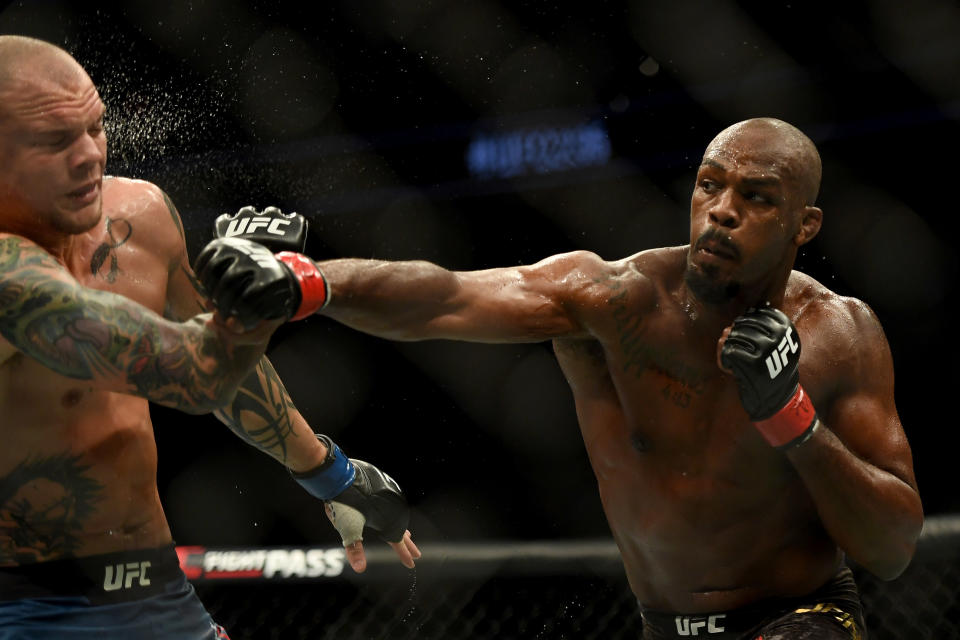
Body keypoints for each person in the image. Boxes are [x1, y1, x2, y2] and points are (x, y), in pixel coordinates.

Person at [198, 117, 925, 639]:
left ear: (806, 225)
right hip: (660, 622)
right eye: (711, 186)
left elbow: (892, 549)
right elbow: (446, 294)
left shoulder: (838, 335)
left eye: (758, 198)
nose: (724, 211)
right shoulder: (614, 300)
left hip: (800, 620)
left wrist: (792, 419)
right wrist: (308, 281)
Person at [0, 35, 419, 640]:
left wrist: (333, 475)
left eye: (96, 127)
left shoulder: (142, 215)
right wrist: (258, 296)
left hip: (159, 597)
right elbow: (187, 371)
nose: (89, 155)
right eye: (56, 141)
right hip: (27, 612)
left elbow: (232, 378)